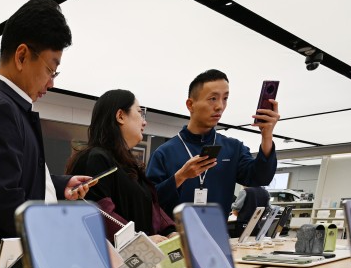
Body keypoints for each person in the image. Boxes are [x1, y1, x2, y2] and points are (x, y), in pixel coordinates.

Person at [0, 0, 93, 265]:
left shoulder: (8, 105)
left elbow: (16, 176)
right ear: (21, 56)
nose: (51, 83)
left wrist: (59, 185)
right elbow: (7, 201)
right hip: (0, 266)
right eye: (50, 69)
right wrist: (61, 238)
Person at [147, 69, 279, 221]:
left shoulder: (233, 148)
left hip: (218, 233)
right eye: (213, 99)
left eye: (225, 98)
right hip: (176, 234)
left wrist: (267, 135)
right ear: (190, 104)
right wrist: (180, 177)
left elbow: (260, 178)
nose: (220, 106)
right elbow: (149, 201)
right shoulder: (164, 153)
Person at [66, 89, 175, 243]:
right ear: (120, 116)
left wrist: (170, 232)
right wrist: (141, 241)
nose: (144, 122)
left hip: (139, 255)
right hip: (113, 256)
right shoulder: (95, 158)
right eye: (140, 113)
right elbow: (100, 215)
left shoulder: (128, 163)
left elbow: (151, 208)